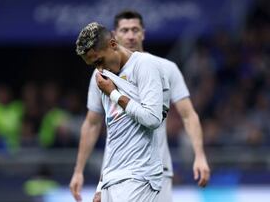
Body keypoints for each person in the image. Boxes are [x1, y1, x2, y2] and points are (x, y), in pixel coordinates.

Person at [70, 10, 210, 202]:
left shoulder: (157, 67)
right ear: (116, 34)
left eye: (134, 29)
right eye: (124, 30)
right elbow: (105, 129)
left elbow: (183, 115)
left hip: (149, 173)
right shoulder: (102, 77)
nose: (130, 35)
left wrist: (199, 155)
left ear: (142, 33)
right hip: (116, 176)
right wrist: (99, 181)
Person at [70, 22, 169, 202]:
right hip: (112, 178)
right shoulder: (104, 78)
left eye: (99, 61)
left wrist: (114, 94)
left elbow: (153, 119)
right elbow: (115, 134)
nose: (99, 69)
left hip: (139, 176)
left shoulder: (144, 65)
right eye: (93, 65)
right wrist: (102, 184)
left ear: (113, 45)